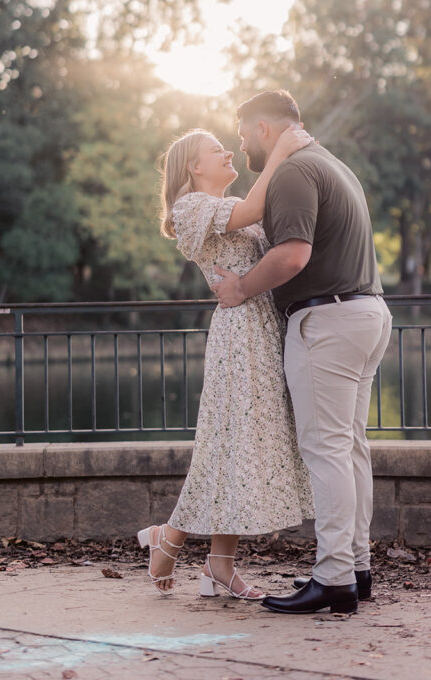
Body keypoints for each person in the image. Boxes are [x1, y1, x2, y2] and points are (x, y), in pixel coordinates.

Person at [213, 90, 392, 616]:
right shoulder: (332, 165)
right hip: (366, 313)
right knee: (351, 448)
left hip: (327, 320)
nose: (240, 142)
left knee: (328, 450)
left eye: (243, 132)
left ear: (264, 128)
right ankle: (355, 568)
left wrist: (242, 287)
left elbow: (292, 256)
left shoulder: (293, 172)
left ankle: (334, 577)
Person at [137, 124, 314, 599]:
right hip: (237, 338)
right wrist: (280, 150)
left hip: (261, 330)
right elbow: (252, 206)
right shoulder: (192, 207)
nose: (229, 153)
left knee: (237, 451)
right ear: (194, 167)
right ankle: (170, 538)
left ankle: (215, 563)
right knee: (228, 447)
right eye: (217, 150)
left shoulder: (229, 211)